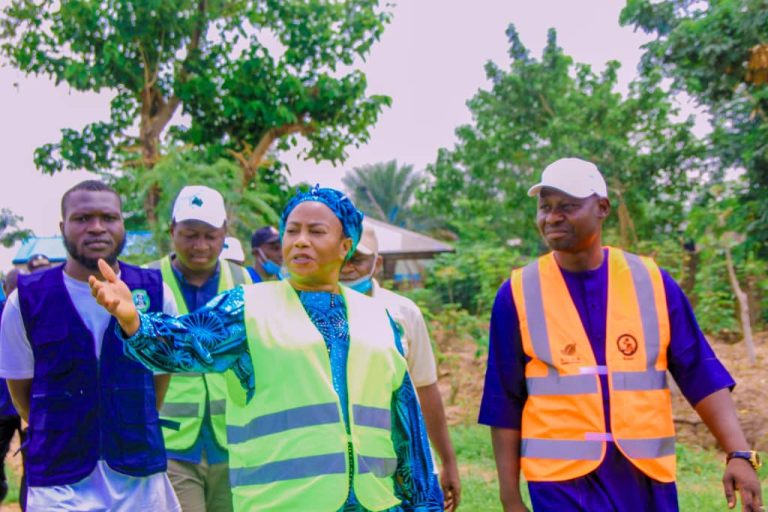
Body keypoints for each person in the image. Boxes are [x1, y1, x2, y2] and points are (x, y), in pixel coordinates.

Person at [91, 186, 444, 511]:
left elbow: (406, 423)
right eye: (292, 231)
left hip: (375, 503)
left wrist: (424, 502)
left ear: (345, 244)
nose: (301, 242)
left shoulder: (381, 319)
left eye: (316, 232)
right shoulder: (248, 307)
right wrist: (135, 321)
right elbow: (186, 343)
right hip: (282, 503)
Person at [478, 158, 764, 512]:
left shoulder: (652, 282)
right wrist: (510, 497)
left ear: (602, 208)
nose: (552, 217)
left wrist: (738, 453)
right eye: (545, 207)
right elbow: (504, 399)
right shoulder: (518, 292)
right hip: (560, 484)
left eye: (567, 206)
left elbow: (699, 371)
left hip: (645, 478)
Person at [0, 180, 181, 511]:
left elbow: (158, 380)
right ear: (62, 227)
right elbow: (22, 397)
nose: (97, 227)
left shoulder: (155, 293)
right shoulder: (25, 300)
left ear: (122, 224)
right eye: (83, 218)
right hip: (58, 480)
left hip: (138, 477)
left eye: (108, 217)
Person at [144, 185, 251, 512]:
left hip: (232, 440)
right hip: (171, 442)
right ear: (171, 231)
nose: (200, 246)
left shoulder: (243, 279)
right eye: (189, 234)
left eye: (210, 235)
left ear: (224, 234)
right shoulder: (147, 281)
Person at [340, 224, 461, 511]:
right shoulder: (310, 311)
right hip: (335, 466)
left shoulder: (401, 313)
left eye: (357, 259)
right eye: (341, 257)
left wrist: (448, 461)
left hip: (397, 459)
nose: (347, 268)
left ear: (377, 264)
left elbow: (425, 388)